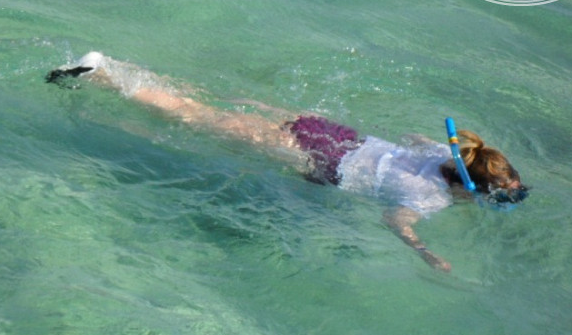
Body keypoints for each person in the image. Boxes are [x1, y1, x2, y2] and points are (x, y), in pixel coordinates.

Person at [46, 52, 528, 272]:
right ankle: (101, 72)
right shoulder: (432, 197)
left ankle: (122, 71)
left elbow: (411, 138)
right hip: (320, 157)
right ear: (468, 189)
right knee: (196, 117)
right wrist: (423, 252)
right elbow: (394, 219)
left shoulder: (447, 154)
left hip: (335, 134)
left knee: (215, 107)